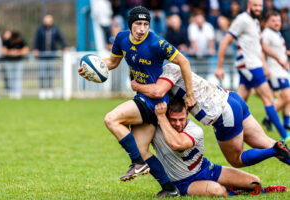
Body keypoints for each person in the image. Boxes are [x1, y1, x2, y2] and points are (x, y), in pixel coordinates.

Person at [78, 6, 196, 197]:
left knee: (111, 119)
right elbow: (113, 62)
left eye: (146, 24)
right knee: (141, 149)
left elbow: (184, 62)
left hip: (154, 99)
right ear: (130, 24)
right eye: (138, 24)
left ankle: (138, 164)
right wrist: (94, 66)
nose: (142, 29)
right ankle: (169, 188)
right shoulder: (121, 38)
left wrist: (190, 94)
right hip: (144, 100)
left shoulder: (157, 43)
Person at [131, 62, 290, 168]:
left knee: (236, 159)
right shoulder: (170, 67)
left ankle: (275, 150)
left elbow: (157, 91)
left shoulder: (165, 76)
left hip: (223, 112)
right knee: (265, 142)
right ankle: (277, 148)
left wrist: (136, 85)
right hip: (231, 98)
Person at [132, 97, 287, 197]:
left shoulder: (195, 130)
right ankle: (227, 190)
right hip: (184, 182)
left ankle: (232, 189)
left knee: (255, 183)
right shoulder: (156, 126)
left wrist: (161, 117)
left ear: (187, 114)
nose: (178, 124)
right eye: (173, 120)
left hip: (206, 169)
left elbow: (177, 144)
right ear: (166, 116)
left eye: (181, 119)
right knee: (217, 191)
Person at [215, 0, 290, 141]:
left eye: (260, 6)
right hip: (250, 66)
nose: (258, 8)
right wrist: (219, 66)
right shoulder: (242, 20)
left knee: (238, 101)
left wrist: (279, 60)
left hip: (250, 66)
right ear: (249, 6)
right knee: (268, 98)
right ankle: (284, 134)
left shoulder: (255, 22)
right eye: (255, 5)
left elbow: (263, 46)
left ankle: (223, 128)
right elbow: (225, 41)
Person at [261, 11, 290, 141]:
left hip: (282, 69)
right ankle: (268, 119)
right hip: (274, 71)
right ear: (267, 22)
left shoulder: (277, 34)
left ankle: (286, 122)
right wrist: (265, 67)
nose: (277, 22)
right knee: (287, 95)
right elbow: (263, 50)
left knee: (288, 97)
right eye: (273, 20)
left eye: (278, 20)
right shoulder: (266, 34)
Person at [34, 14, 68, 99]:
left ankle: (49, 90)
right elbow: (36, 40)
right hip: (42, 55)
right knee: (42, 73)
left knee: (50, 74)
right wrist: (36, 49)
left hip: (51, 55)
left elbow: (60, 39)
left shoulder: (55, 29)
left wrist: (65, 46)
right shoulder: (40, 30)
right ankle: (42, 90)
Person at [187, 12, 216, 79]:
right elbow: (192, 41)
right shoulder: (191, 27)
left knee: (206, 71)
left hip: (206, 52)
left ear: (204, 19)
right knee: (197, 72)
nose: (200, 21)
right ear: (195, 20)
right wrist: (198, 52)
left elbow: (211, 40)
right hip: (195, 53)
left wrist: (212, 49)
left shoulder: (208, 26)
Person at [2, 31, 29, 99]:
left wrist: (18, 52)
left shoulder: (21, 40)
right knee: (10, 77)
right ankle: (11, 92)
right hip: (9, 62)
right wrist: (10, 52)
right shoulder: (8, 41)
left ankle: (18, 92)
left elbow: (26, 49)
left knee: (18, 77)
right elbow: (3, 50)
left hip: (18, 61)